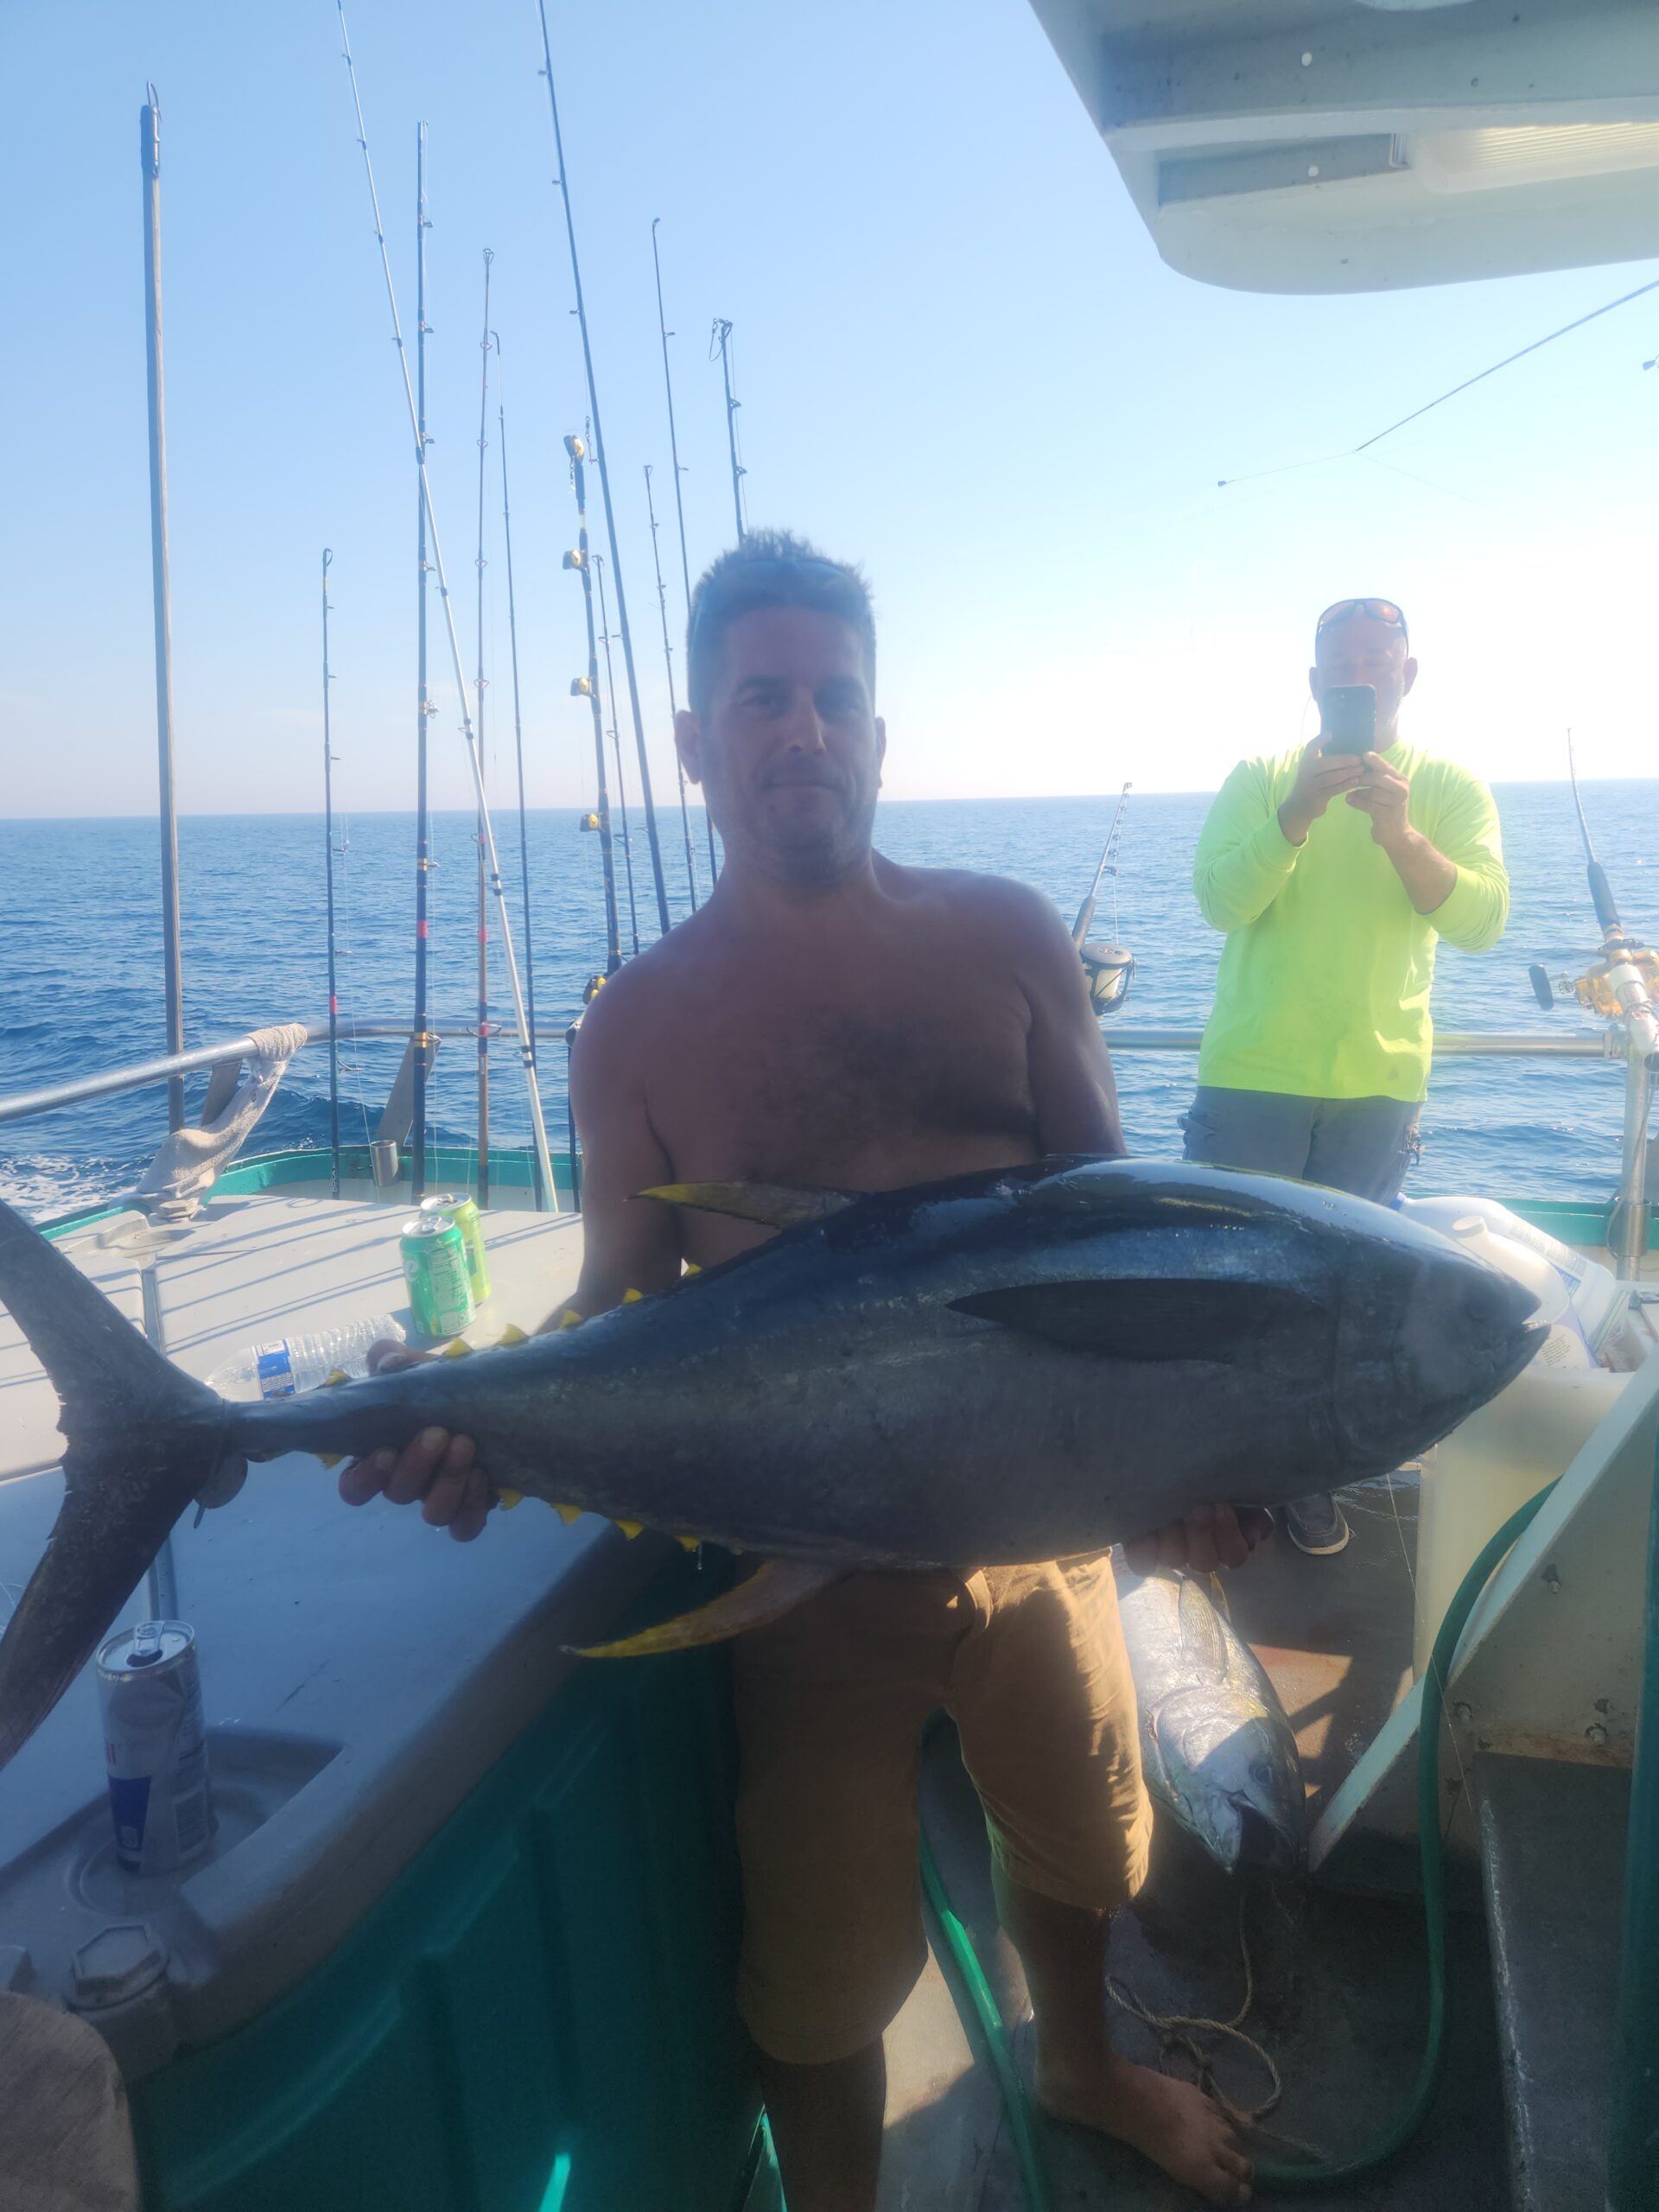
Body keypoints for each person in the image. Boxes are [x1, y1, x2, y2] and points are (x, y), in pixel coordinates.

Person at [341, 532, 1260, 2210]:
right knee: (821, 1968)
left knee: (1086, 1840)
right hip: (801, 1575)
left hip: (1038, 1533)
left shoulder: (1007, 939)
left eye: (836, 697)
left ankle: (1078, 2059)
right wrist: (473, 1415)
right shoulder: (637, 1025)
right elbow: (622, 1308)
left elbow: (1122, 1246)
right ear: (694, 741)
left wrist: (1184, 1469)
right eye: (762, 698)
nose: (804, 732)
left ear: (882, 735)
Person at [1185, 595, 1509, 1557]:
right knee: (1225, 1289)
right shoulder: (1262, 778)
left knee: (1344, 1305)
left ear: (1408, 676)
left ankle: (1307, 1482)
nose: (1358, 679)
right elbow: (1216, 901)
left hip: (1378, 1088)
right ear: (1314, 682)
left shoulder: (1448, 786)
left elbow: (1483, 921)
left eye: (1376, 663)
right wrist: (1295, 816)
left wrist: (1402, 834)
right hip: (1251, 1081)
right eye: (1340, 666)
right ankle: (1207, 1478)